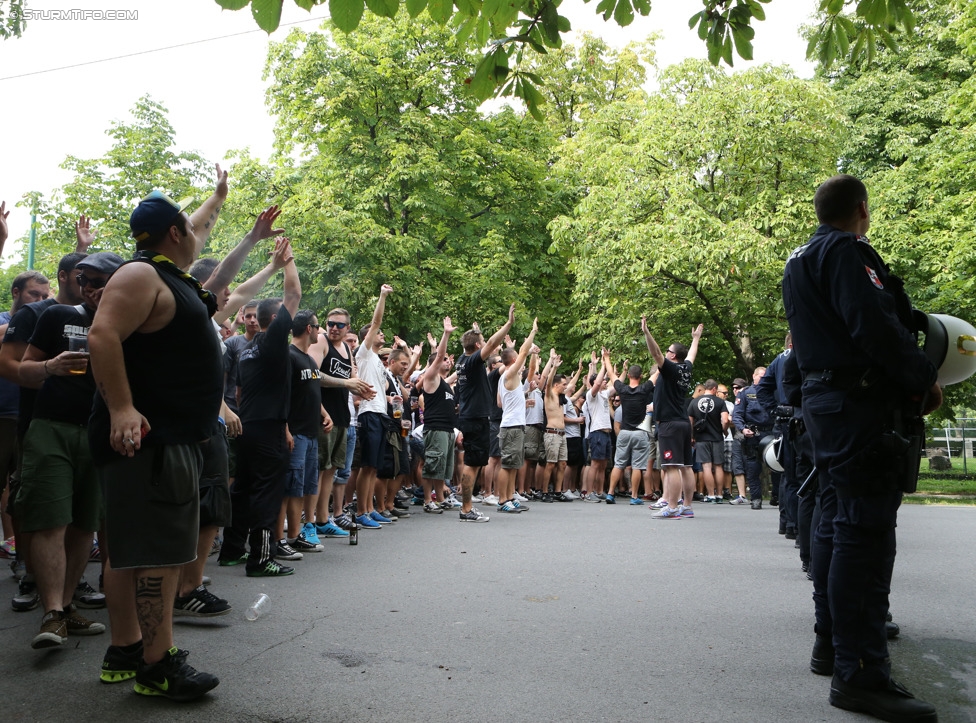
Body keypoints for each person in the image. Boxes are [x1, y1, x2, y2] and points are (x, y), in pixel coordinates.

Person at [783, 174, 941, 722]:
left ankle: (833, 645)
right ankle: (860, 673)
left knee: (836, 520)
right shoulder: (850, 252)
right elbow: (874, 326)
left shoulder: (799, 258)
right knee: (864, 532)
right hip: (858, 406)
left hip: (825, 404)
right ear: (862, 210)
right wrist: (923, 378)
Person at [89, 189, 223, 700]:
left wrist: (223, 204)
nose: (199, 231)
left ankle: (127, 649)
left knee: (134, 551)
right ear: (175, 234)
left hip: (169, 439)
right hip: (153, 441)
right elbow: (103, 335)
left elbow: (202, 231)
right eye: (192, 227)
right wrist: (122, 408)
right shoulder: (140, 274)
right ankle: (157, 664)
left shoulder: (171, 278)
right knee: (160, 555)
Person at [17, 252, 125, 649]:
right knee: (50, 520)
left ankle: (64, 608)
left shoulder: (130, 325)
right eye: (86, 281)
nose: (92, 289)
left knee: (83, 524)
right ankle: (51, 613)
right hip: (52, 429)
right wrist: (50, 368)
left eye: (101, 281)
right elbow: (22, 370)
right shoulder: (57, 317)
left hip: (99, 433)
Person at [454, 304, 515, 518]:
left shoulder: (462, 360)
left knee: (475, 463)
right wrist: (508, 324)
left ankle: (467, 506)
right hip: (475, 418)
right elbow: (490, 343)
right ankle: (466, 509)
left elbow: (479, 342)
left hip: (470, 417)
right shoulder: (471, 362)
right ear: (478, 346)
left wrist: (476, 331)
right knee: (472, 464)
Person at [642, 319, 703, 519]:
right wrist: (696, 339)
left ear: (672, 355)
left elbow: (656, 353)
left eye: (669, 351)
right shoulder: (686, 369)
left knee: (671, 467)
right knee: (686, 467)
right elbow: (692, 355)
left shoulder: (671, 369)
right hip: (683, 423)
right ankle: (687, 506)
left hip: (669, 423)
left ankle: (672, 507)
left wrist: (646, 332)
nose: (666, 352)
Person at [603, 349, 653, 505]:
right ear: (641, 376)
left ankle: (610, 493)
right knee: (637, 466)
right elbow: (657, 375)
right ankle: (634, 496)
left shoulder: (622, 389)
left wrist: (607, 357)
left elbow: (611, 374)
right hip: (639, 433)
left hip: (624, 432)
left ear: (629, 375)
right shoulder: (645, 389)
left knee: (619, 463)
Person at [731, 366, 771, 510]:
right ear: (754, 376)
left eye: (765, 376)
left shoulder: (774, 391)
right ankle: (756, 498)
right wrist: (743, 429)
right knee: (753, 467)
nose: (763, 379)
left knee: (777, 466)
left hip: (771, 433)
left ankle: (778, 497)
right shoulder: (746, 393)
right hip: (753, 434)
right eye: (760, 376)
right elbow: (737, 415)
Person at [688, 379, 729, 503]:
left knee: (706, 466)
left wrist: (692, 436)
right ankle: (720, 495)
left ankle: (710, 494)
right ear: (715, 389)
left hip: (701, 438)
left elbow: (690, 421)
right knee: (718, 466)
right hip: (717, 437)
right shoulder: (720, 402)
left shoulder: (694, 402)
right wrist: (725, 430)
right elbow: (725, 420)